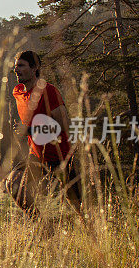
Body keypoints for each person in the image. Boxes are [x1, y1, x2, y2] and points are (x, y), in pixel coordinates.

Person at [4, 50, 82, 221]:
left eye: (21, 66)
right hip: (37, 156)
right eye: (15, 66)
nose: (16, 70)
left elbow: (65, 125)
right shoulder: (18, 92)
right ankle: (41, 224)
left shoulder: (48, 91)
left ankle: (94, 236)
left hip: (60, 156)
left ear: (35, 68)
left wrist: (30, 131)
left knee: (78, 206)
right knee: (13, 183)